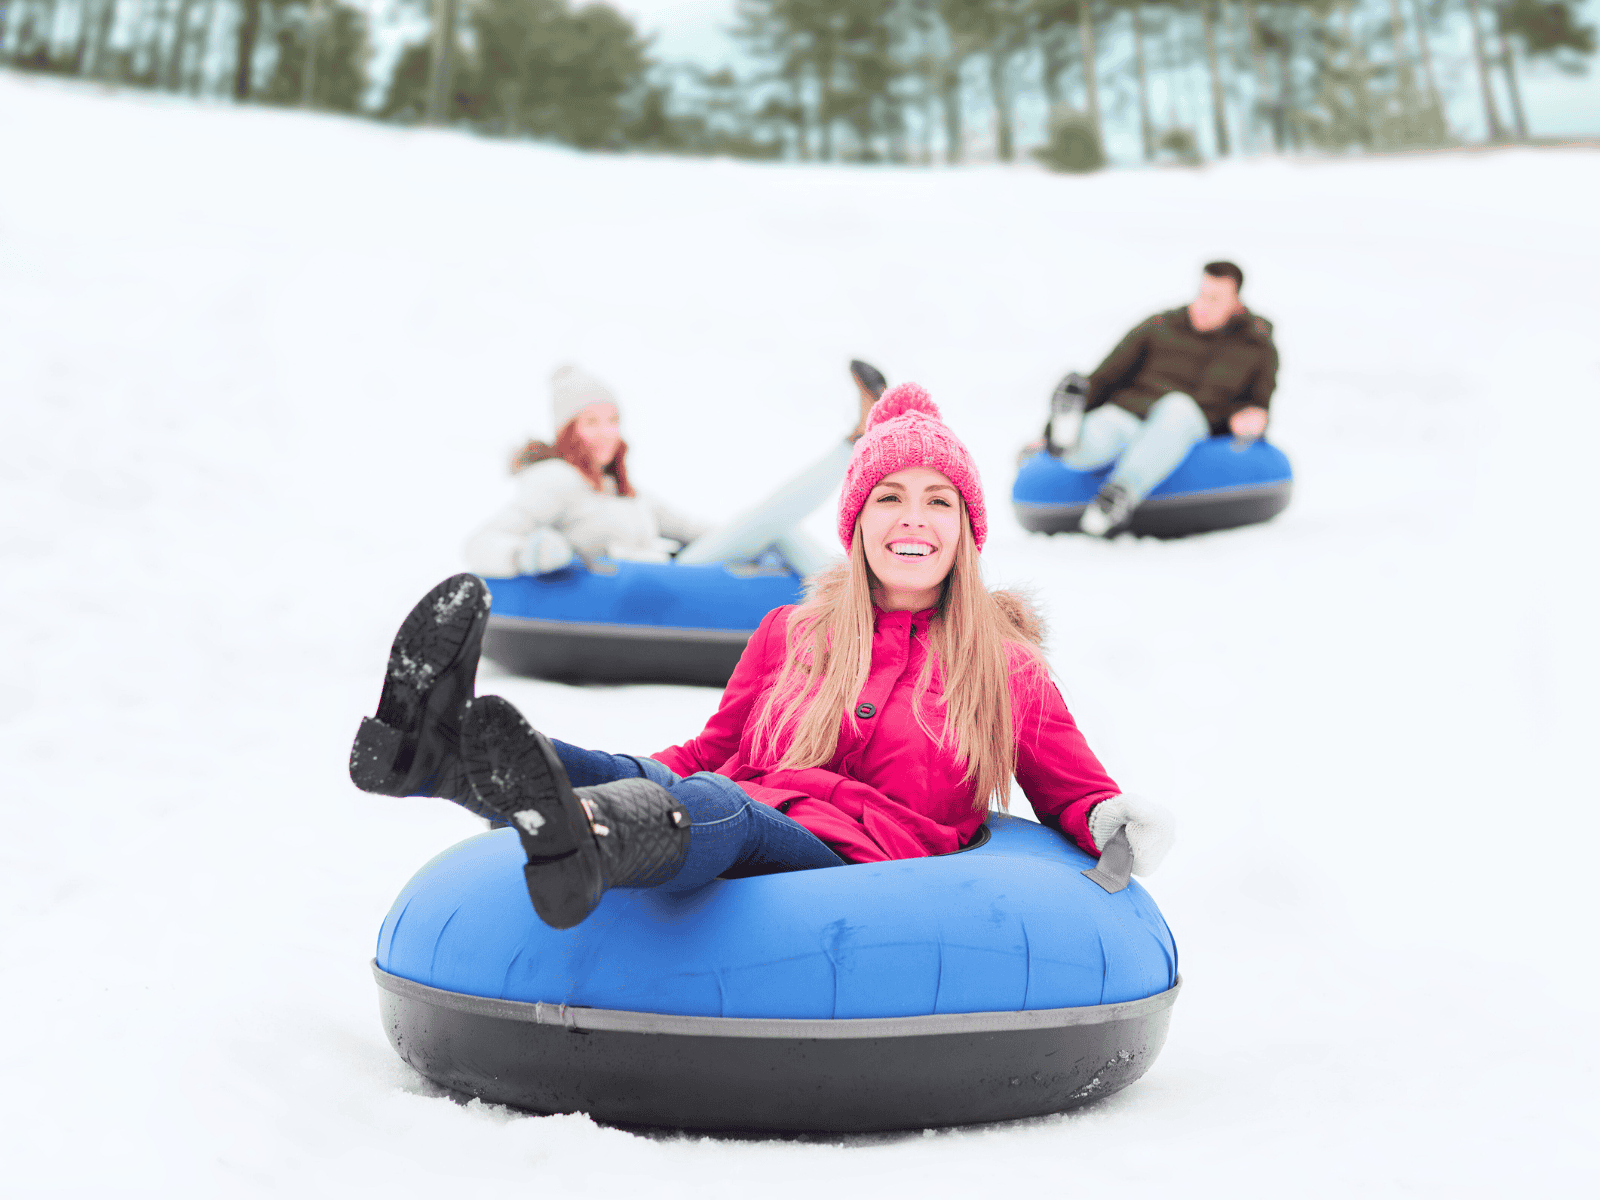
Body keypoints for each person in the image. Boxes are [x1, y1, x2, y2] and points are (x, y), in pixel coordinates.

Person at [352, 385, 1176, 930]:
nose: (911, 520)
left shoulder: (1003, 668)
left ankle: (594, 839)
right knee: (684, 781)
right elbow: (711, 751)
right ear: (856, 524)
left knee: (720, 804)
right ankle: (437, 756)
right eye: (888, 498)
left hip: (862, 861)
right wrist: (625, 770)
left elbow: (1076, 789)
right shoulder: (791, 632)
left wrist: (1112, 820)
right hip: (742, 802)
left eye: (937, 501)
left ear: (965, 530)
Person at [464, 361, 889, 580]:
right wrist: (526, 555)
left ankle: (859, 596)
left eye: (612, 420)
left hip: (675, 572)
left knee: (776, 532)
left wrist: (746, 536)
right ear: (567, 431)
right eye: (590, 422)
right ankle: (854, 444)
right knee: (773, 523)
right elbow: (481, 542)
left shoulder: (621, 490)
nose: (606, 433)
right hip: (653, 583)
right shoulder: (555, 481)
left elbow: (691, 529)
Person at [1043, 261, 1278, 537]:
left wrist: (1250, 417)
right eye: (1201, 294)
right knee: (1104, 431)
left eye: (1214, 299)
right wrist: (1046, 432)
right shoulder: (1161, 326)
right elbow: (1106, 376)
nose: (1202, 305)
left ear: (1236, 302)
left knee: (1177, 409)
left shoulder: (1257, 347)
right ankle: (1067, 437)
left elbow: (1259, 401)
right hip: (1132, 409)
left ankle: (1119, 493)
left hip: (1191, 422)